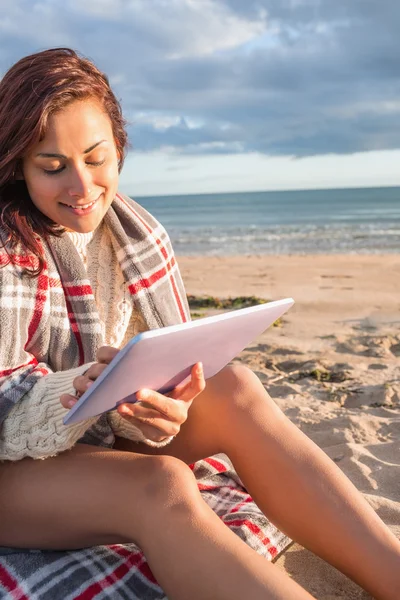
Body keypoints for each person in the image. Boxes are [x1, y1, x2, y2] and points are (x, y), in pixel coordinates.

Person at [0, 48, 398, 600]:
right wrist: (75, 390)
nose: (81, 186)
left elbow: (162, 374)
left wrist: (165, 408)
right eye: (52, 167)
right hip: (10, 467)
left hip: (92, 439)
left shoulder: (138, 238)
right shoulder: (7, 249)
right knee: (159, 486)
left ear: (119, 149)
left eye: (96, 158)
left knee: (234, 388)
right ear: (17, 167)